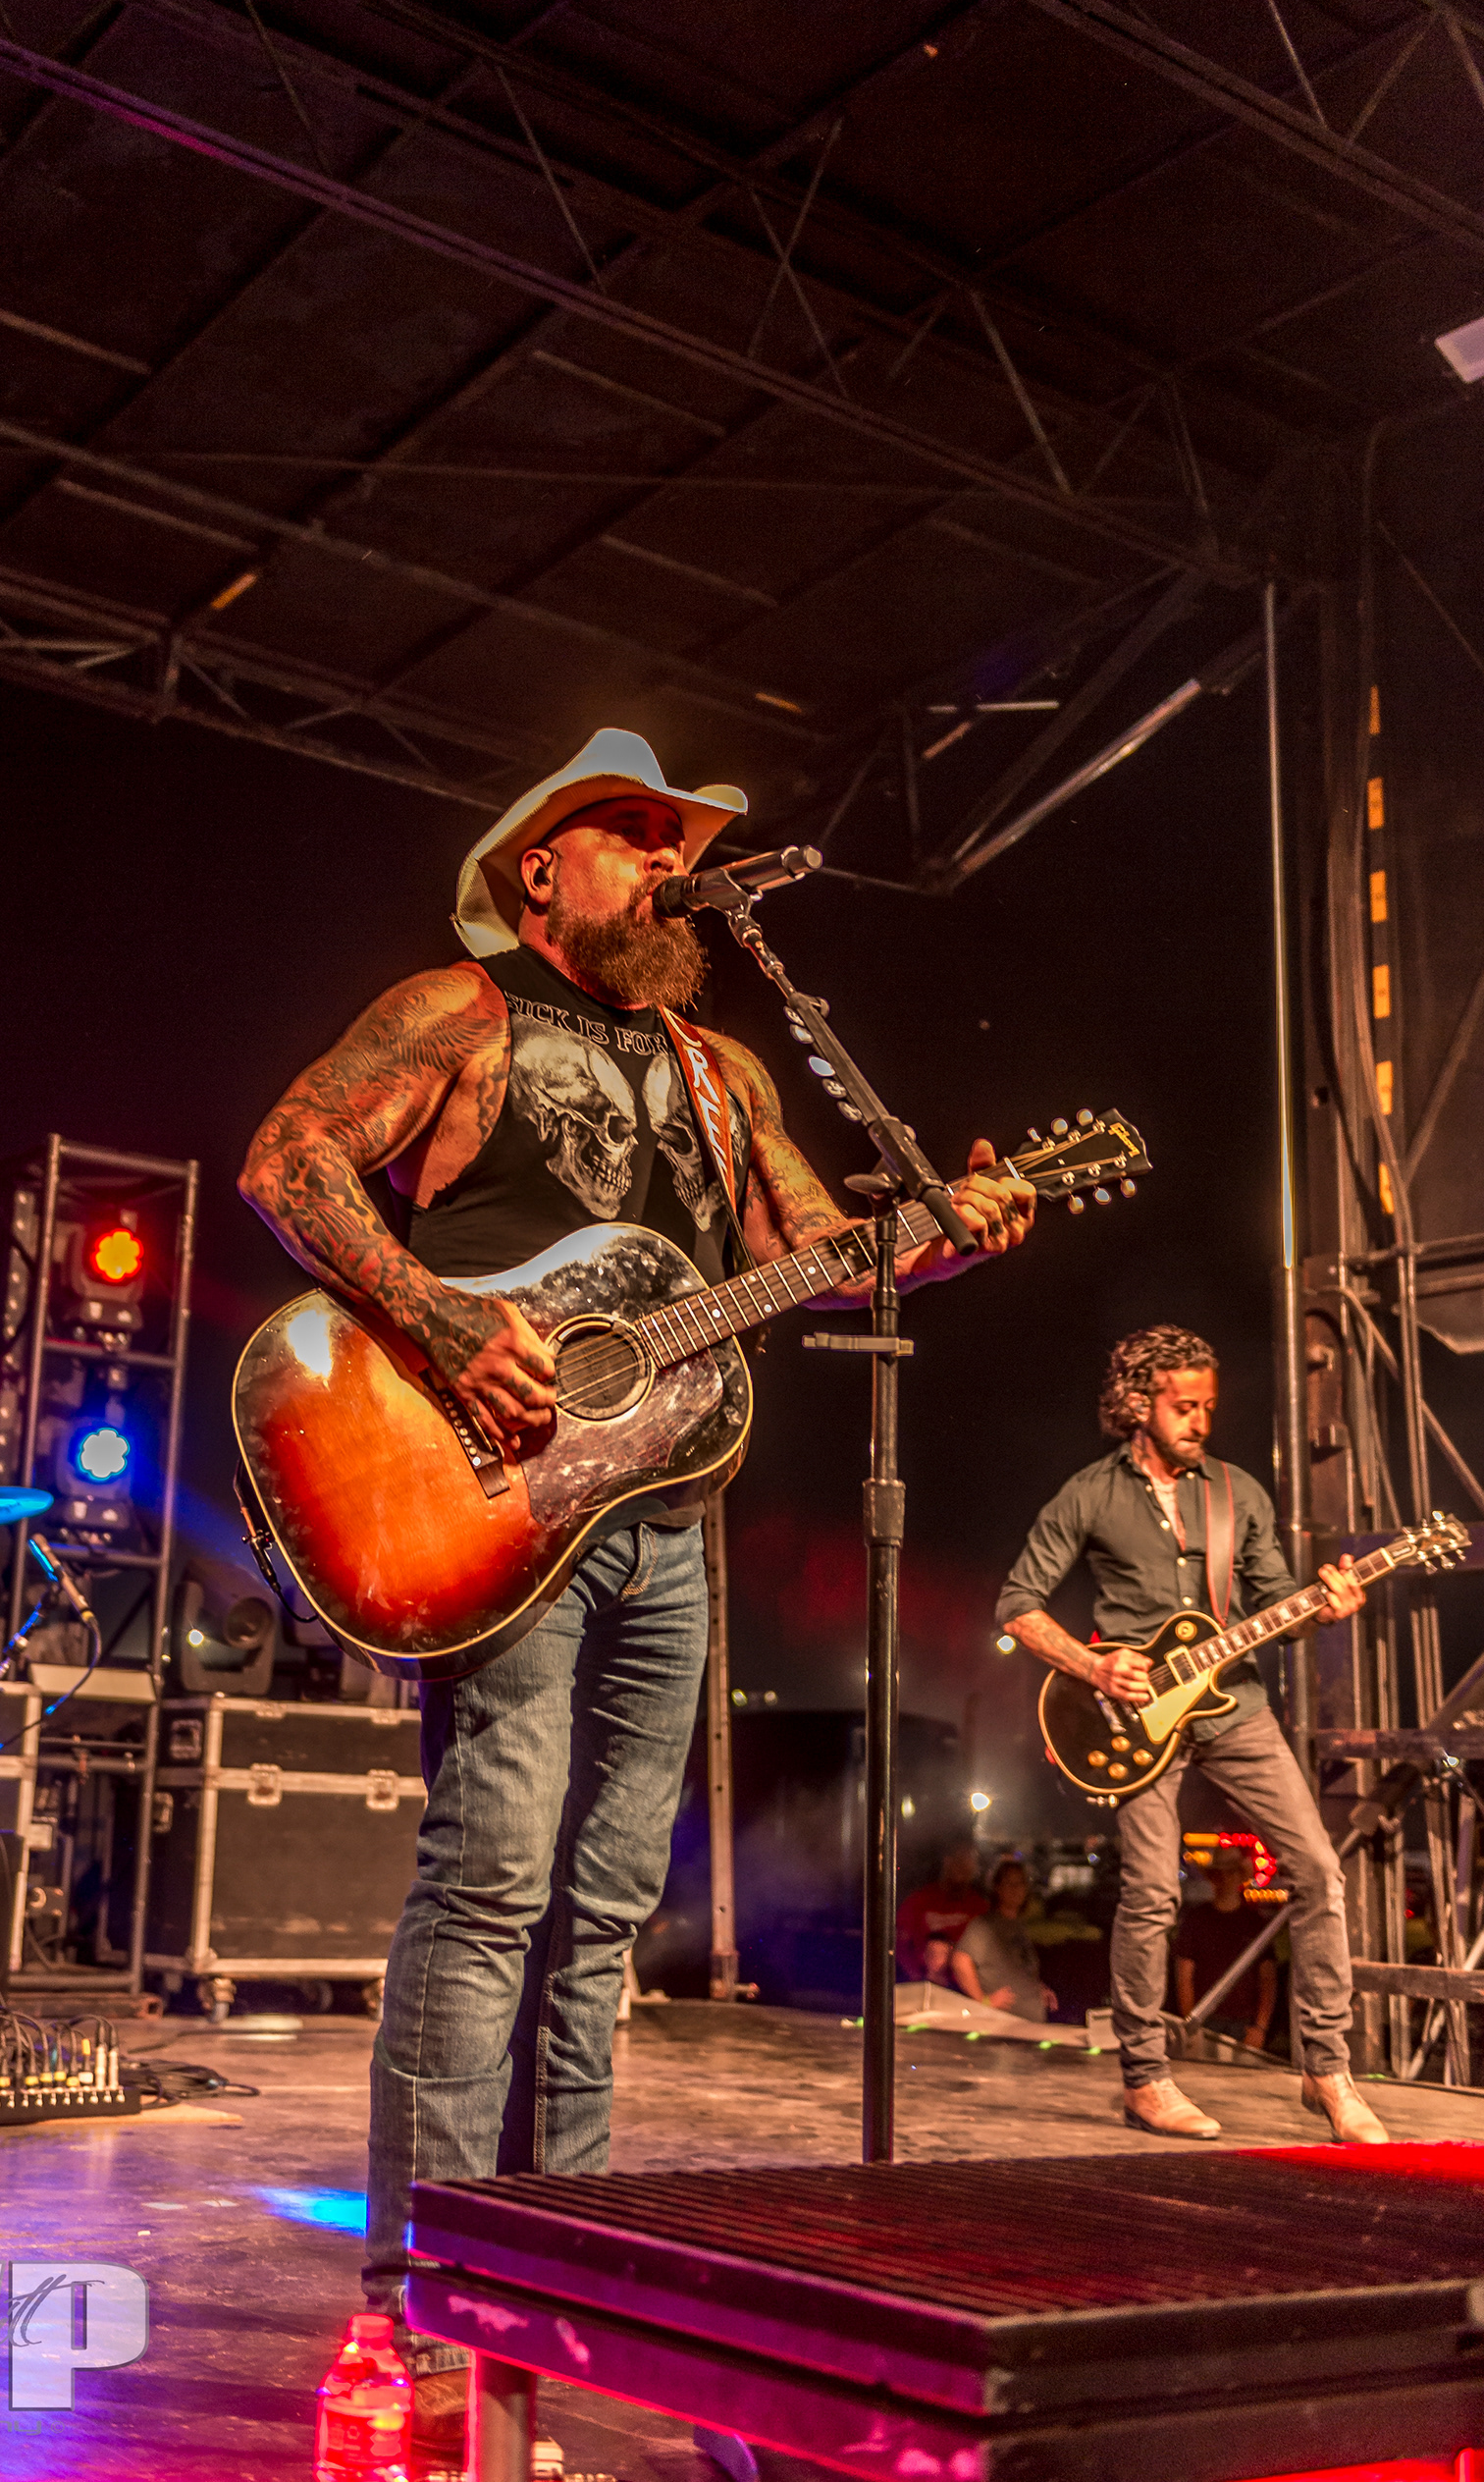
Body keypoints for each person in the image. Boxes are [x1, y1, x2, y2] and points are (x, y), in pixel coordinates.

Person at [239, 728, 1036, 2442]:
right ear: (543, 866)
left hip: (667, 1520)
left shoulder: (722, 1067)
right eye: (636, 835)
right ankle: (411, 2296)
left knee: (604, 1907)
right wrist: (446, 1320)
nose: (671, 864)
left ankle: (566, 2268)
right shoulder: (460, 1011)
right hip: (492, 1500)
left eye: (683, 843)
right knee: (490, 1882)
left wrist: (948, 1226)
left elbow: (819, 1259)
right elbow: (288, 1160)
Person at [996, 1324, 1387, 2143]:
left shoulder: (1239, 1492)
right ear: (1139, 1403)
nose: (1201, 1420)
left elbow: (1277, 1605)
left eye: (1209, 1405)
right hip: (1134, 1719)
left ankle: (1327, 2070)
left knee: (1319, 1871)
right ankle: (1145, 2078)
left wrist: (1324, 1604)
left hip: (1234, 1704)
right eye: (1184, 1405)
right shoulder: (1089, 1493)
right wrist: (1096, 1666)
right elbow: (1019, 1606)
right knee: (1151, 1893)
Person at [1175, 1842, 1278, 2054]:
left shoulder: (1255, 1923)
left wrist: (1260, 2027)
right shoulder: (1196, 1920)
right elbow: (1184, 1977)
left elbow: (1267, 1979)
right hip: (1205, 2021)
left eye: (1231, 1872)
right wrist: (1191, 2024)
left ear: (1240, 1876)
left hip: (1245, 2024)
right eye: (1219, 1873)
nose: (1225, 1878)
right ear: (1213, 1878)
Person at [950, 1856, 1055, 2021]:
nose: (1016, 1889)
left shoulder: (1018, 1925)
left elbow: (1018, 1966)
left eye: (1020, 1883)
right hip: (1003, 2026)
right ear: (997, 1888)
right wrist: (983, 2001)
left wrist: (1037, 1988)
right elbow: (960, 1961)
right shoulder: (985, 1926)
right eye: (1009, 1883)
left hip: (1031, 2024)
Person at [896, 1842, 988, 1984]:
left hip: (965, 1987)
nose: (962, 1868)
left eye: (967, 1865)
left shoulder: (980, 1907)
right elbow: (900, 1944)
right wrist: (916, 1976)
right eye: (958, 1861)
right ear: (947, 1862)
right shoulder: (919, 1900)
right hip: (924, 1982)